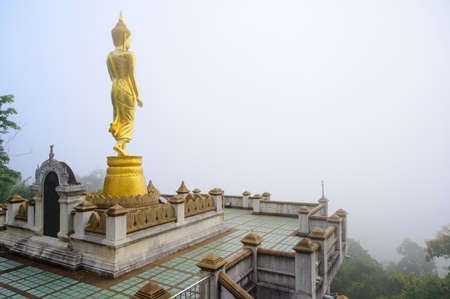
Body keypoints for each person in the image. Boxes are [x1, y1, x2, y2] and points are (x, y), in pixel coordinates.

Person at [107, 12, 143, 156]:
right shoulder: (129, 55)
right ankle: (120, 144)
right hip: (125, 87)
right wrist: (138, 95)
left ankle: (119, 142)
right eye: (129, 39)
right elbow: (132, 76)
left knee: (118, 117)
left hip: (114, 87)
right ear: (124, 37)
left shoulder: (110, 56)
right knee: (129, 119)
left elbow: (111, 76)